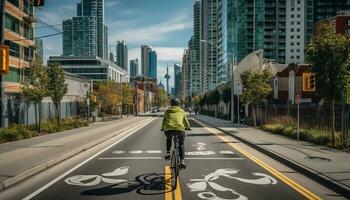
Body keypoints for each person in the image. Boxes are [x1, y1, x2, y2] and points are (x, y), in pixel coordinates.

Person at [161, 98, 191, 168]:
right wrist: (188, 127)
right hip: (180, 130)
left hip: (168, 129)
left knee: (168, 138)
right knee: (181, 144)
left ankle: (168, 153)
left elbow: (164, 121)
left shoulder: (167, 111)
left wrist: (162, 128)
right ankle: (182, 161)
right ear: (178, 104)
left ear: (171, 104)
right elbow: (186, 121)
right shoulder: (181, 111)